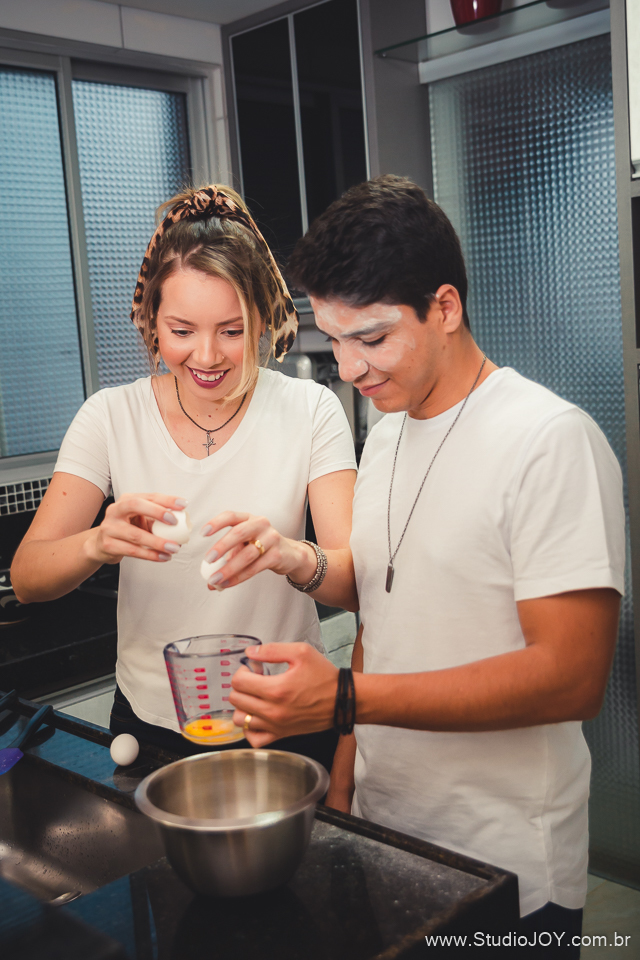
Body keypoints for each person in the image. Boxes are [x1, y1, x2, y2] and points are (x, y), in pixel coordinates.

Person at [228, 175, 624, 953]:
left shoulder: (548, 440)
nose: (349, 368)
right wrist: (299, 560)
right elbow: (388, 601)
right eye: (334, 339)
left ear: (445, 308)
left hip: (505, 862)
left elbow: (572, 676)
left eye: (372, 339)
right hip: (389, 833)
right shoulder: (387, 433)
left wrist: (342, 698)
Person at [10, 184, 357, 769]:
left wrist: (292, 556)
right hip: (152, 726)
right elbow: (26, 578)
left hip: (284, 717)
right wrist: (98, 542)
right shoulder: (110, 417)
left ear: (262, 318)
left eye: (232, 330)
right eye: (182, 330)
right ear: (152, 322)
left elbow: (355, 584)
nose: (207, 355)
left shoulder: (310, 410)